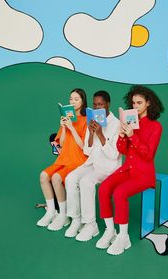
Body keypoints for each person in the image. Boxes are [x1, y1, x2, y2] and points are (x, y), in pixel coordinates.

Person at [96, 85, 164, 255]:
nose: (135, 106)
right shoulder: (130, 122)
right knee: (104, 188)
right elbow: (123, 150)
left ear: (148, 103)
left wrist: (133, 135)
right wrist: (122, 135)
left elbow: (148, 155)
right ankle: (110, 230)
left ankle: (123, 237)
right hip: (128, 169)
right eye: (133, 103)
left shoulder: (156, 127)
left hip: (144, 173)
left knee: (119, 193)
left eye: (139, 103)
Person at [65, 91, 122, 241]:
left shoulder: (116, 124)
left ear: (108, 104)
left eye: (100, 104)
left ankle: (91, 225)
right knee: (70, 178)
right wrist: (91, 133)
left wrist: (101, 134)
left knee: (86, 182)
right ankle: (76, 219)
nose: (97, 108)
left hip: (108, 167)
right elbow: (86, 150)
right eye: (95, 104)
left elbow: (114, 155)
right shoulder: (92, 120)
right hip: (92, 162)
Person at [36, 88, 88, 231]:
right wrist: (64, 128)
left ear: (83, 102)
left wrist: (72, 128)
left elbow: (84, 146)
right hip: (63, 159)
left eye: (76, 99)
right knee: (43, 176)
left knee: (57, 178)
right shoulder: (66, 120)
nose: (72, 101)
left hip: (78, 160)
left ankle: (63, 215)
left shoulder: (87, 121)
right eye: (71, 99)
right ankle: (52, 212)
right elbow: (62, 144)